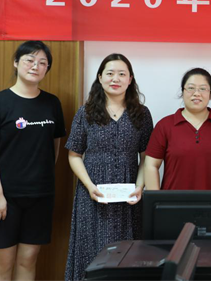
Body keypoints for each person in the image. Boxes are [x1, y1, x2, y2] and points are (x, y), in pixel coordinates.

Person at [0, 40, 66, 281]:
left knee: (28, 259)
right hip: (6, 197)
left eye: (42, 62)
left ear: (47, 68)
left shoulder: (52, 103)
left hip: (40, 196)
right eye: (29, 60)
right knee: (3, 263)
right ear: (16, 63)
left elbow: (54, 147)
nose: (35, 66)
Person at [64, 54, 153, 281]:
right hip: (93, 194)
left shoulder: (142, 114)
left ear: (130, 79)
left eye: (122, 74)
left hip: (129, 197)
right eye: (110, 73)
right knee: (91, 252)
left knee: (127, 253)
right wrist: (89, 185)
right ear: (100, 77)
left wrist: (140, 187)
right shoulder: (85, 112)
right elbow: (74, 155)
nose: (116, 79)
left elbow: (146, 158)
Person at [144, 68, 211, 190]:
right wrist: (156, 199)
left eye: (203, 89)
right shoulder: (165, 125)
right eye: (191, 88)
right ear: (182, 92)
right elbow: (151, 165)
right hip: (173, 200)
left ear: (210, 94)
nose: (196, 93)